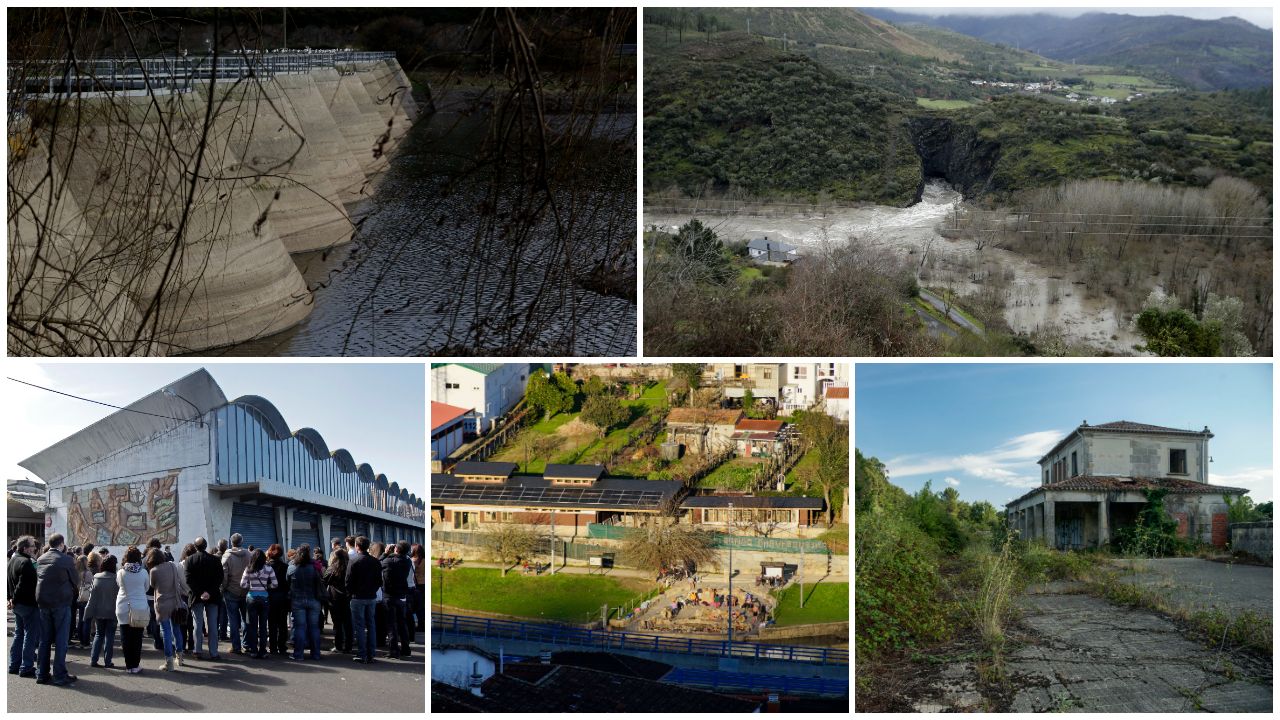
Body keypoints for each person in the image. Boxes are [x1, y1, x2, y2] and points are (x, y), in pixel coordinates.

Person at [34, 532, 78, 686]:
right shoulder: (66, 559)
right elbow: (75, 581)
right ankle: (60, 674)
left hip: (43, 602)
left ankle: (42, 673)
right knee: (61, 639)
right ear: (61, 544)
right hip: (60, 602)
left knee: (44, 639)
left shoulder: (40, 559)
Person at [7, 535, 42, 678]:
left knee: (19, 634)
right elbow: (22, 586)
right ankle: (26, 666)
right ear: (25, 548)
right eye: (33, 546)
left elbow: (8, 582)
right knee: (29, 635)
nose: (35, 548)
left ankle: (14, 664)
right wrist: (12, 599)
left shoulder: (13, 560)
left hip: (18, 604)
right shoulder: (26, 562)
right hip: (27, 604)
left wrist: (10, 599)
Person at [147, 547, 186, 671]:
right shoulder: (172, 566)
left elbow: (152, 585)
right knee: (177, 629)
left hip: (162, 603)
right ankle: (179, 657)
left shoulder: (154, 570)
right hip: (175, 602)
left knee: (166, 632)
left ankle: (169, 662)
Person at [184, 537, 222, 660]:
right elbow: (219, 578)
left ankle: (197, 651)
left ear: (195, 547)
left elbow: (188, 579)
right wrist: (209, 592)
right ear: (206, 546)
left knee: (197, 624)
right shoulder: (215, 560)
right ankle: (214, 652)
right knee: (212, 625)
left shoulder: (189, 560)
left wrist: (200, 592)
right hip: (213, 596)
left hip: (196, 596)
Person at [346, 536, 382, 664]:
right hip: (371, 597)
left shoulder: (354, 561)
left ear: (357, 546)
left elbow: (348, 581)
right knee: (371, 625)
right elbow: (379, 581)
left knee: (360, 626)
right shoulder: (376, 562)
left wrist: (351, 593)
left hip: (357, 597)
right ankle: (371, 654)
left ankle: (362, 654)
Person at [286, 544, 324, 661]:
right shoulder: (314, 567)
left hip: (297, 600)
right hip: (314, 600)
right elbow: (320, 581)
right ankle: (316, 654)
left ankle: (298, 654)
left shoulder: (292, 567)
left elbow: (287, 582)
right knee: (314, 628)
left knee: (300, 628)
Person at [115, 546, 149, 674]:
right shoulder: (144, 572)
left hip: (123, 605)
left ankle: (128, 665)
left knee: (125, 637)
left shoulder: (121, 572)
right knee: (137, 637)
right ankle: (135, 665)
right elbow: (146, 587)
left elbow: (119, 585)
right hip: (139, 606)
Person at [240, 549, 278, 659]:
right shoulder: (269, 568)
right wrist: (266, 587)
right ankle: (263, 650)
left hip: (251, 598)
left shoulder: (248, 569)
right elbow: (275, 584)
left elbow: (242, 584)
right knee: (263, 626)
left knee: (252, 625)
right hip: (264, 598)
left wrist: (251, 587)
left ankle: (253, 650)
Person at [85, 555, 119, 668]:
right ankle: (108, 662)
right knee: (110, 636)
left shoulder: (97, 577)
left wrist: (87, 612)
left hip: (99, 611)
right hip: (113, 611)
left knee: (99, 635)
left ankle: (93, 660)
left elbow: (92, 597)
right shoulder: (116, 578)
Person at [381, 542, 412, 659]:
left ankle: (394, 650)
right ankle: (406, 648)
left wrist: (385, 553)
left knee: (391, 624)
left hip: (389, 595)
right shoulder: (408, 561)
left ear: (396, 549)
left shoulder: (388, 561)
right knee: (402, 623)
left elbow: (378, 564)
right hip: (401, 595)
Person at [220, 533, 251, 654]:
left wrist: (224, 587)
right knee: (245, 618)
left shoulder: (227, 556)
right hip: (246, 590)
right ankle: (247, 644)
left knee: (232, 619)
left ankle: (236, 646)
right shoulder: (249, 554)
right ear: (242, 541)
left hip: (231, 590)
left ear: (231, 542)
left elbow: (224, 575)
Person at [323, 548, 352, 653]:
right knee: (348, 622)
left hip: (334, 598)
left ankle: (338, 645)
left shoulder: (332, 568)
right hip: (348, 597)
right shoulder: (350, 566)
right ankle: (348, 645)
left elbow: (324, 580)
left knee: (337, 623)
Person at [265, 544, 291, 656]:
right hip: (283, 597)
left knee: (272, 623)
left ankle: (273, 646)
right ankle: (282, 646)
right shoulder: (286, 566)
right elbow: (288, 583)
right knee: (282, 623)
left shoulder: (266, 567)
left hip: (270, 597)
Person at [72, 552, 92, 648]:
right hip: (85, 597)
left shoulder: (76, 572)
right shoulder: (87, 573)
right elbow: (90, 585)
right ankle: (85, 641)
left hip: (78, 597)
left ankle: (80, 639)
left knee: (80, 620)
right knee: (86, 620)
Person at [410, 544, 426, 636]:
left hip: (416, 585)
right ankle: (422, 625)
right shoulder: (425, 560)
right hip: (424, 585)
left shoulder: (413, 561)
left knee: (414, 607)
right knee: (422, 607)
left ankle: (416, 626)